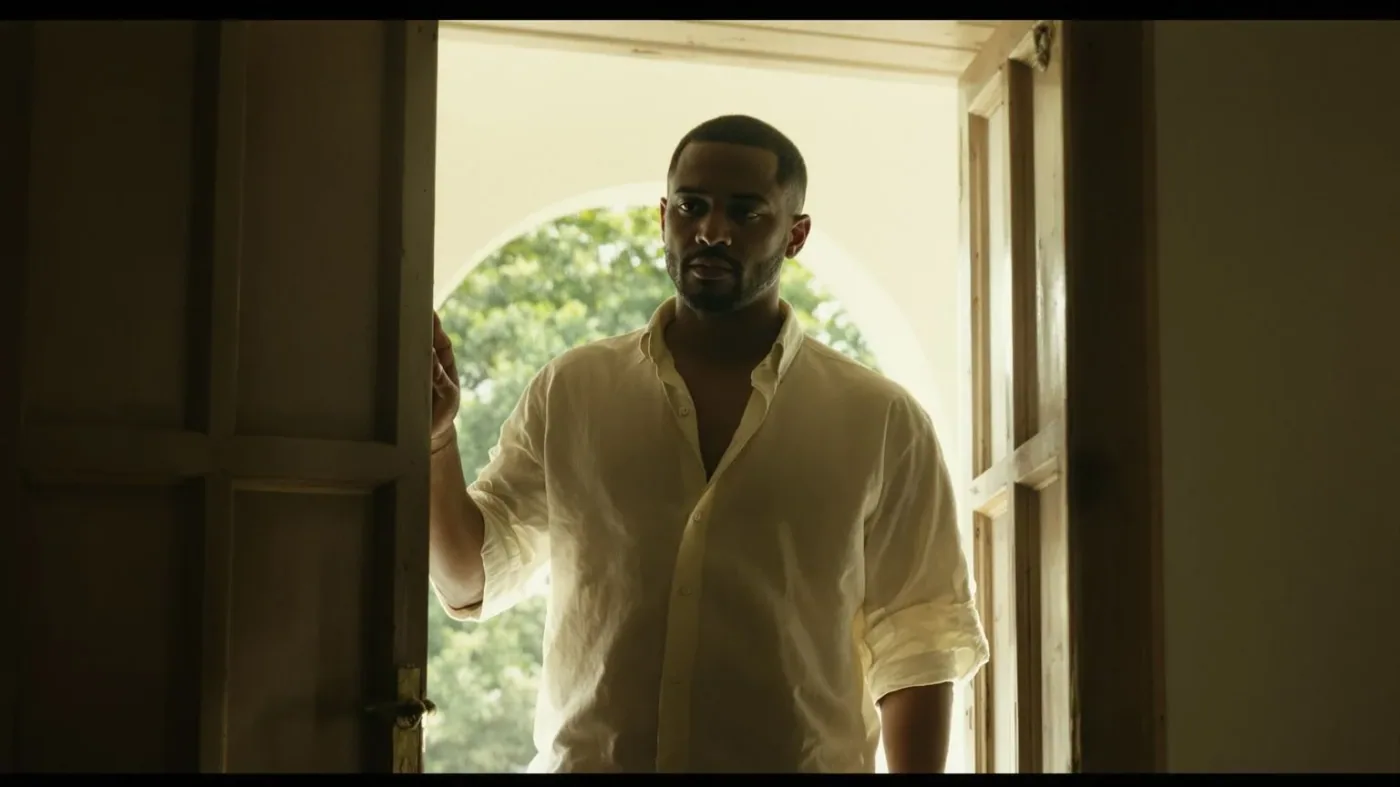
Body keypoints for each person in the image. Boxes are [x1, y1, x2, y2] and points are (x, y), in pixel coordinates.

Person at [428, 114, 989, 774]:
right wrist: (436, 438)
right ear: (663, 217)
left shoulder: (882, 420)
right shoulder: (572, 391)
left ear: (796, 234)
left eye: (745, 212)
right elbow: (469, 577)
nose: (711, 231)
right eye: (691, 206)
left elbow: (918, 645)